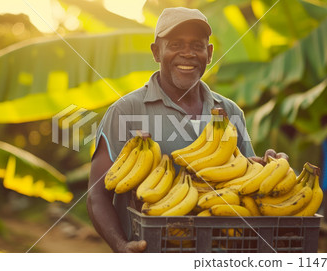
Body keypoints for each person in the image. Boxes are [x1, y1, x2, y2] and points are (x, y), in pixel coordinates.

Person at [87, 7, 286, 253]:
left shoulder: (230, 112)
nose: (188, 53)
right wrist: (120, 246)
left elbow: (245, 184)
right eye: (175, 44)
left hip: (221, 252)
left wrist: (270, 167)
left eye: (197, 45)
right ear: (156, 52)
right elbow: (97, 195)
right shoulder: (126, 111)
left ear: (209, 53)